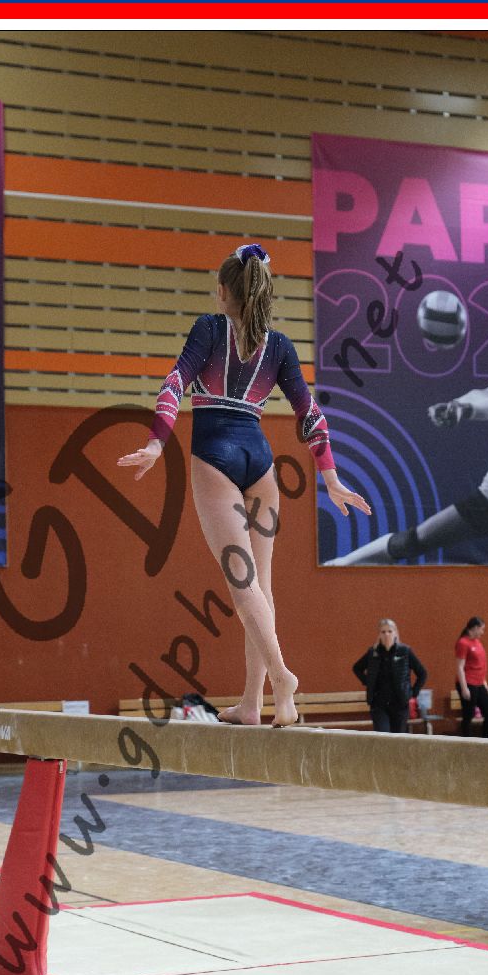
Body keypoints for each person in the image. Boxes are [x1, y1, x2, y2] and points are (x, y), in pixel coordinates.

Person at [118, 242, 370, 727]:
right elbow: (310, 414)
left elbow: (174, 384)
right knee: (261, 588)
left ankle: (281, 677)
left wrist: (155, 443)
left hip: (215, 457)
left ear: (222, 292)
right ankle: (254, 704)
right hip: (260, 464)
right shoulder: (280, 347)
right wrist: (331, 477)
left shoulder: (209, 329)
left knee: (242, 585)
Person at [327, 333, 488, 566]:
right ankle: (344, 563)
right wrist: (457, 406)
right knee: (413, 540)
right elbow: (484, 395)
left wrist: (467, 410)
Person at [352, 618, 427, 733]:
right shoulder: (373, 653)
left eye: (389, 631)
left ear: (395, 633)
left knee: (397, 738)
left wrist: (412, 693)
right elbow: (357, 668)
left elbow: (422, 673)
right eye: (383, 632)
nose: (386, 634)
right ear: (379, 635)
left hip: (400, 703)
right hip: (379, 704)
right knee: (383, 735)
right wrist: (368, 682)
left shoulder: (404, 651)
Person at [455, 616, 488, 738]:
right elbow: (460, 667)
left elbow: (481, 665)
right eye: (482, 629)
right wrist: (464, 688)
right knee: (468, 715)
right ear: (475, 628)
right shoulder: (463, 643)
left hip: (479, 683)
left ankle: (485, 741)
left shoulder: (477, 642)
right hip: (468, 683)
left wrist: (485, 683)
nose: (483, 632)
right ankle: (467, 742)